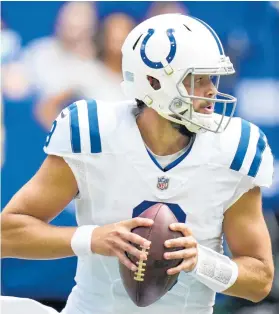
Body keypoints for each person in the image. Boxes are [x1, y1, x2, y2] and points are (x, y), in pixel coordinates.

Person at [1, 13, 274, 314]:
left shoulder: (233, 147)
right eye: (197, 78)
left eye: (213, 77)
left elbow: (260, 280)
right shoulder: (94, 133)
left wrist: (203, 262)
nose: (211, 90)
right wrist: (93, 238)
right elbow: (7, 234)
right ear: (154, 82)